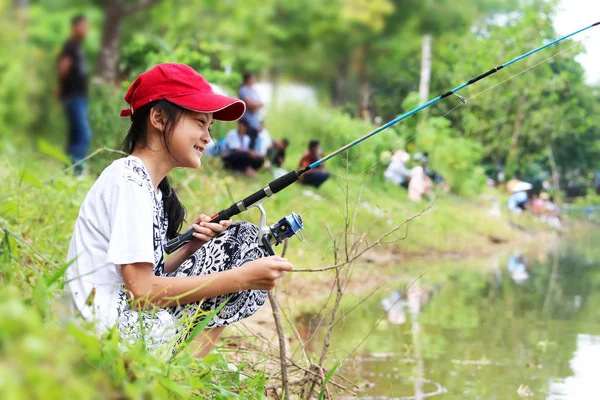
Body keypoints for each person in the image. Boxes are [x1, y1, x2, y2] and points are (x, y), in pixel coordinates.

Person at [64, 64, 293, 359]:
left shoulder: (149, 188)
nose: (208, 138)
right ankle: (170, 378)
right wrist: (242, 278)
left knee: (240, 240)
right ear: (158, 117)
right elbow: (142, 293)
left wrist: (191, 248)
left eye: (209, 128)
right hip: (105, 339)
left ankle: (174, 373)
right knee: (242, 245)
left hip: (118, 327)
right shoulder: (129, 181)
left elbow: (139, 279)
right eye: (199, 122)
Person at [58, 14, 92, 176]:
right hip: (73, 97)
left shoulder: (78, 48)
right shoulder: (70, 46)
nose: (86, 30)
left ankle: (66, 171)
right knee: (84, 133)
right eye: (83, 26)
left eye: (87, 27)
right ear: (75, 27)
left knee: (74, 134)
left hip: (80, 97)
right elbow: (63, 69)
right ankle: (78, 171)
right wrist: (63, 91)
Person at [238, 72, 263, 150]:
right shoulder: (243, 90)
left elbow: (260, 104)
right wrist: (255, 105)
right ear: (248, 79)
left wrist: (255, 105)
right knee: (246, 146)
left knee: (253, 146)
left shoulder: (254, 91)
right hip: (247, 123)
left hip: (254, 123)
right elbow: (250, 105)